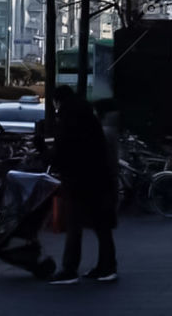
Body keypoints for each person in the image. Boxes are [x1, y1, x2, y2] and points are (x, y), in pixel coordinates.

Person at [48, 86, 117, 285]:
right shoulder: (88, 115)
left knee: (74, 225)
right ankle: (107, 266)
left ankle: (70, 269)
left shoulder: (67, 119)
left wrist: (45, 151)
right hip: (98, 178)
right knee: (100, 225)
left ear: (58, 101)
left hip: (78, 180)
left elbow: (63, 152)